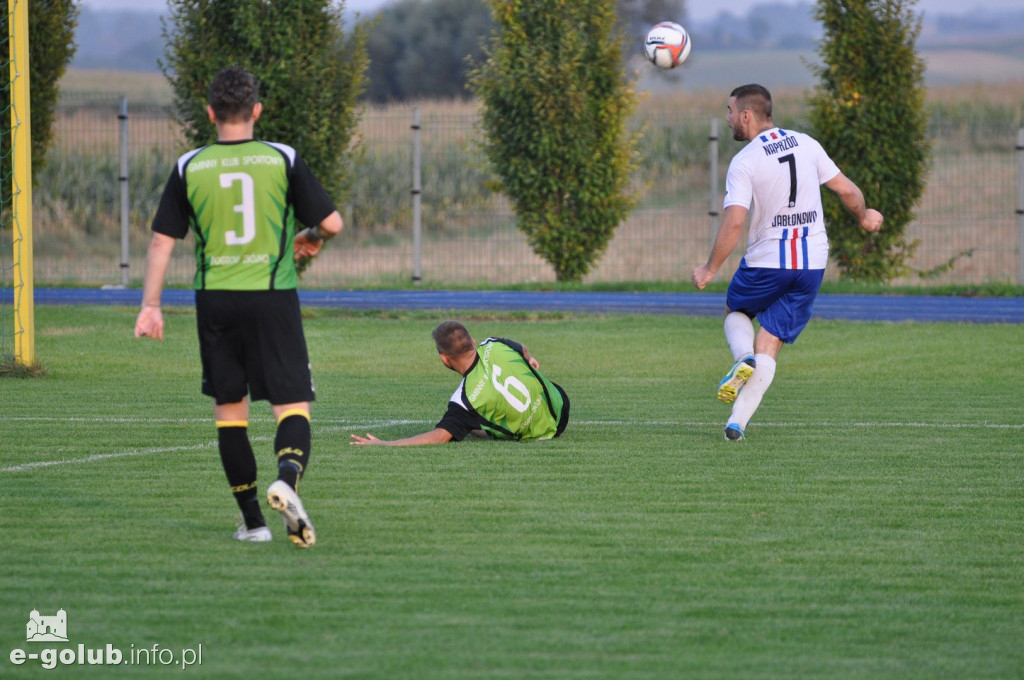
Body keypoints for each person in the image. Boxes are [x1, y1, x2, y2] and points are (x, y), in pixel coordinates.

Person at [134, 66, 343, 547]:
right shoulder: (281, 158)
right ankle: (286, 482)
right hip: (272, 295)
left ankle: (253, 524)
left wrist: (150, 305)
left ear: (210, 113)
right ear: (256, 111)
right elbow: (333, 222)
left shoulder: (190, 165)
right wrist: (310, 237)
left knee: (231, 411)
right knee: (292, 403)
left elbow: (162, 243)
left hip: (217, 299)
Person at [691, 84, 883, 441]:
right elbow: (847, 191)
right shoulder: (806, 143)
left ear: (746, 115)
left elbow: (734, 222)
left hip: (768, 259)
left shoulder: (745, 161)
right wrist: (864, 215)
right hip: (811, 262)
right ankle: (737, 423)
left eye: (730, 111)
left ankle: (742, 358)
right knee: (772, 343)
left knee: (735, 311)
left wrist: (709, 269)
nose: (729, 118)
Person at [349, 321, 570, 446]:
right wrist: (529, 360)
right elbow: (522, 349)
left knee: (474, 424)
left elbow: (440, 436)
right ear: (473, 342)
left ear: (444, 359)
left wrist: (385, 444)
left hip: (541, 433)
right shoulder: (493, 343)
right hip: (561, 407)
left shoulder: (464, 400)